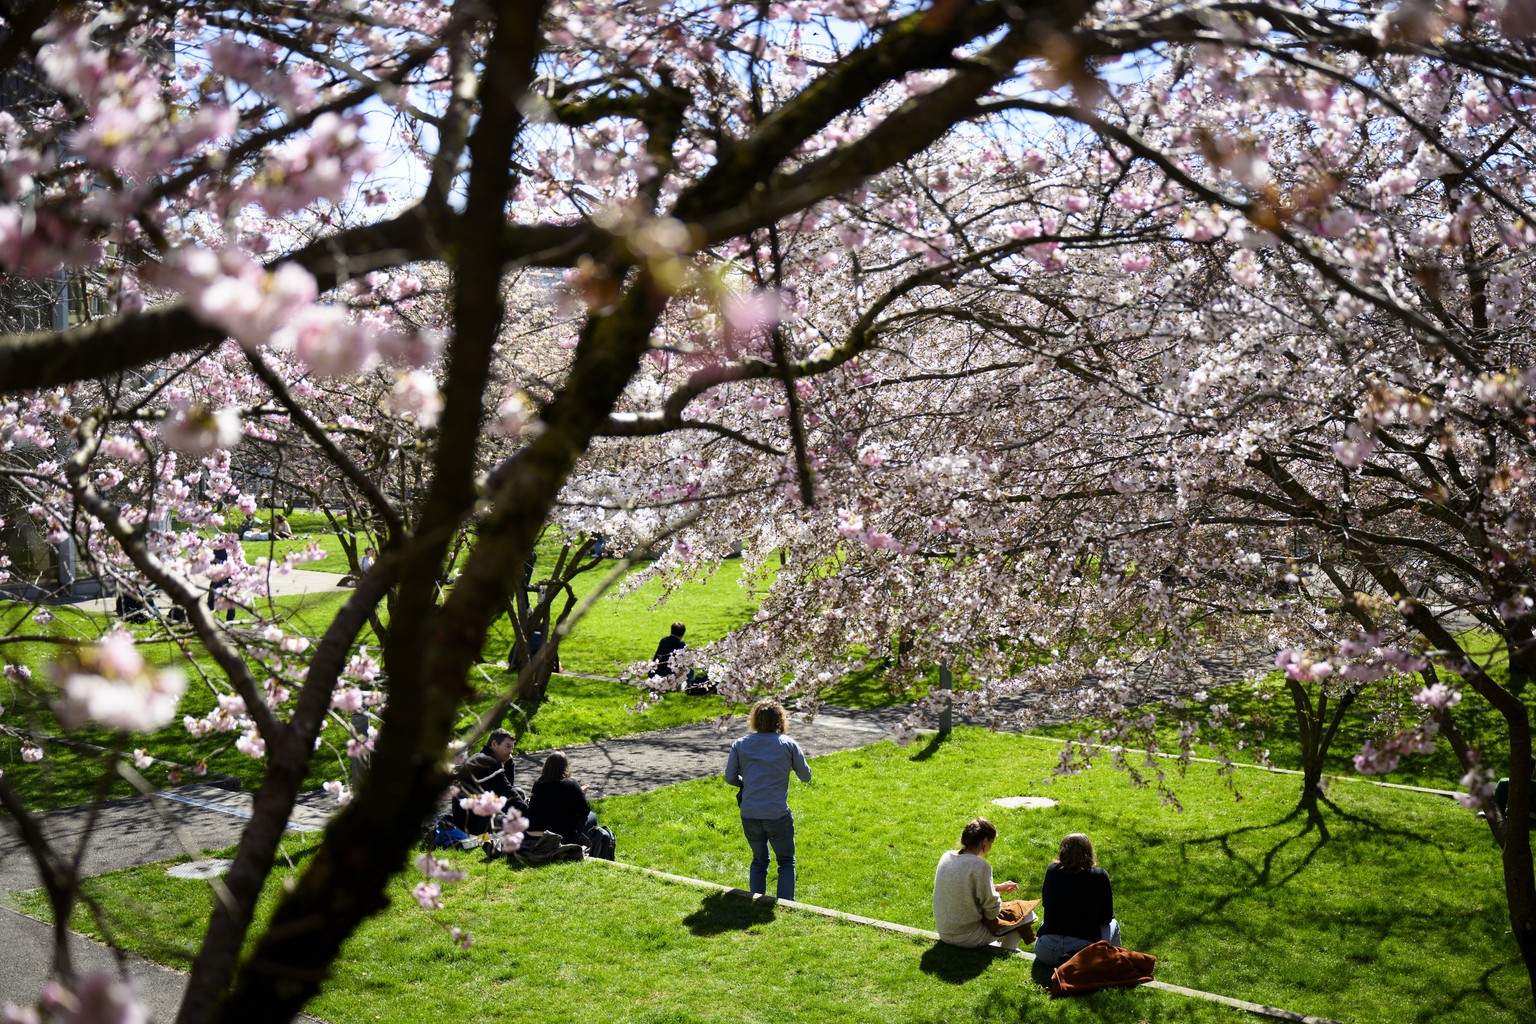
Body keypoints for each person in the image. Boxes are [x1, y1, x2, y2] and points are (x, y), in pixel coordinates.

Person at [725, 699, 812, 900]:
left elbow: (730, 777)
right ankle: (786, 904)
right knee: (786, 860)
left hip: (749, 813)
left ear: (754, 719)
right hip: (777, 813)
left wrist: (747, 783)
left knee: (759, 860)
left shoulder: (740, 744)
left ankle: (756, 900)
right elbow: (806, 776)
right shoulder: (788, 744)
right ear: (780, 719)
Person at [932, 817, 1035, 951]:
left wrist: (996, 887)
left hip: (944, 932)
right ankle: (1006, 950)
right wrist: (999, 899)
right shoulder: (980, 866)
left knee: (1010, 913)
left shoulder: (946, 856)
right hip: (967, 937)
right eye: (991, 843)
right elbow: (992, 911)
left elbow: (961, 886)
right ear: (985, 841)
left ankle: (997, 945)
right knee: (1026, 912)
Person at [1033, 832, 1121, 969]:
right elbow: (1106, 918)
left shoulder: (1052, 871)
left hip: (1045, 951)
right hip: (1083, 953)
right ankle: (1114, 965)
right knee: (1114, 924)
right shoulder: (1099, 876)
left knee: (1046, 921)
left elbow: (1046, 904)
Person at [450, 728, 526, 836]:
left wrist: (509, 764)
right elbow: (508, 793)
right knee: (512, 823)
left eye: (512, 748)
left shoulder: (485, 757)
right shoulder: (487, 762)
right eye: (507, 746)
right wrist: (530, 816)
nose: (510, 752)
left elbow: (507, 790)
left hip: (474, 815)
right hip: (471, 824)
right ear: (494, 744)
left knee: (520, 793)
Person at [526, 751, 600, 848]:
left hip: (541, 832)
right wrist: (581, 794)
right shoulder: (571, 784)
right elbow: (584, 811)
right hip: (565, 835)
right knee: (592, 816)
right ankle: (590, 846)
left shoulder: (538, 784)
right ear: (565, 767)